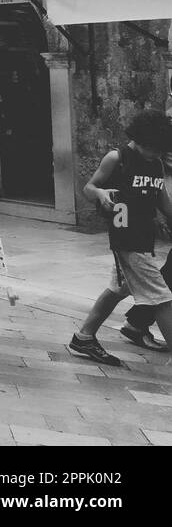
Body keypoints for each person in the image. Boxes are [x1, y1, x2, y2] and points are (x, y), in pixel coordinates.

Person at [68, 109, 172, 366]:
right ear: (140, 140)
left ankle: (83, 337)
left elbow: (163, 201)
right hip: (125, 234)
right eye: (154, 149)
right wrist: (101, 194)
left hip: (144, 236)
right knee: (162, 297)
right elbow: (89, 187)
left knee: (119, 288)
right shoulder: (117, 158)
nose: (157, 154)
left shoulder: (155, 163)